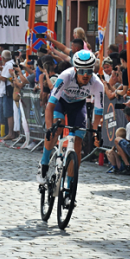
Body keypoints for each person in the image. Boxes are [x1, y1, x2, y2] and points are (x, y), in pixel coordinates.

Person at [37, 50, 105, 185]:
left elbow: (98, 113)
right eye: (81, 71)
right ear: (75, 69)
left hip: (78, 105)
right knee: (56, 128)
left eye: (89, 71)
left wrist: (95, 133)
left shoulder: (98, 84)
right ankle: (44, 164)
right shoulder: (65, 76)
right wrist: (49, 128)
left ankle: (70, 185)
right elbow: (50, 106)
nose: (85, 75)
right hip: (60, 102)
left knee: (78, 141)